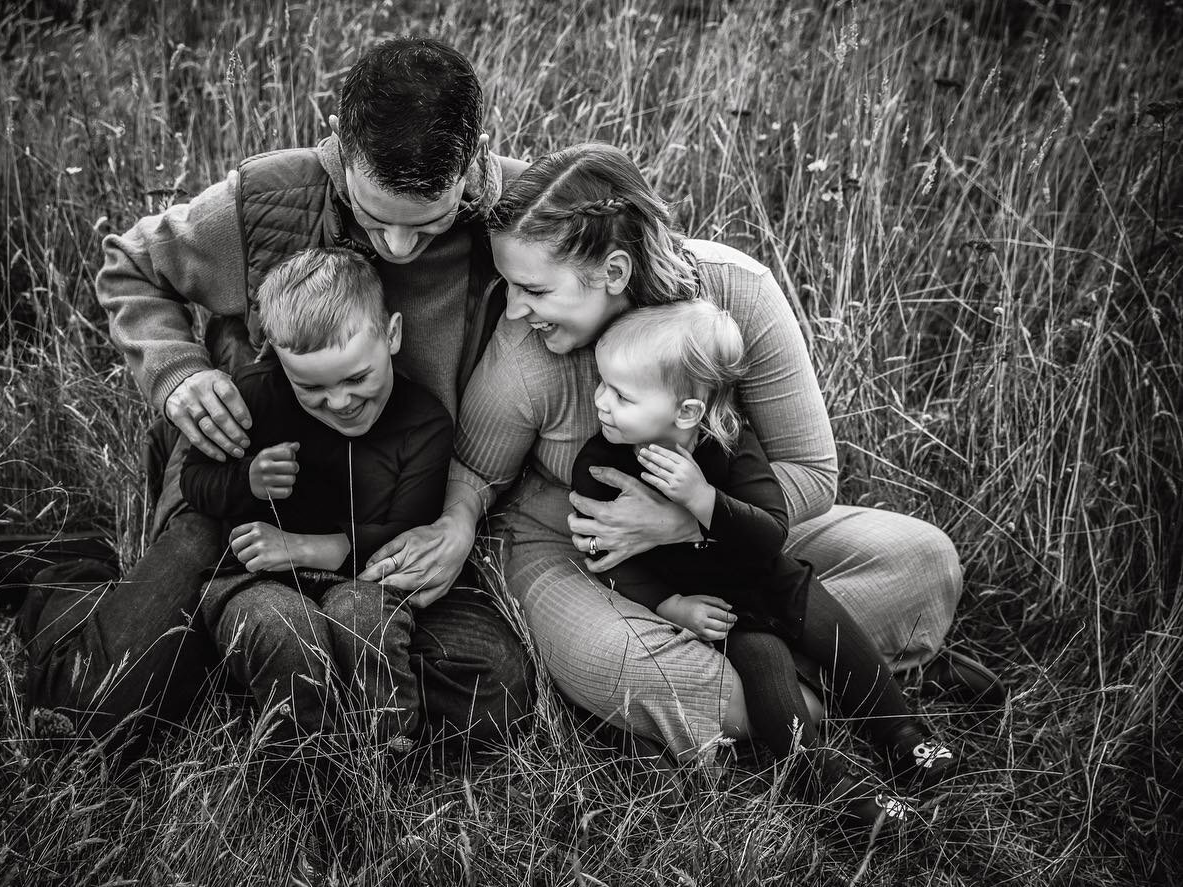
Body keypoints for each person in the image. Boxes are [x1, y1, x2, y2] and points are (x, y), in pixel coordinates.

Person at [365, 142, 992, 764]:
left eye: (532, 287)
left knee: (923, 561)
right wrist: (456, 521)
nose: (514, 307)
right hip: (582, 551)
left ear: (612, 272)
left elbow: (811, 472)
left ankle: (777, 694)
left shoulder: (737, 295)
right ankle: (847, 678)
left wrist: (686, 519)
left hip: (735, 531)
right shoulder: (527, 351)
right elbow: (476, 470)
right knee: (649, 672)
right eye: (508, 284)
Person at [13, 37, 534, 754]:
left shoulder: (523, 211)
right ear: (342, 152)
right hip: (248, 502)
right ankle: (78, 582)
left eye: (428, 222)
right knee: (107, 709)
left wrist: (459, 519)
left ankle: (265, 662)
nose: (400, 248)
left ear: (473, 158)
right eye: (376, 216)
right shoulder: (268, 200)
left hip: (403, 507)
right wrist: (178, 373)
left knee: (492, 690)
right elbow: (131, 262)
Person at [571, 300, 959, 827]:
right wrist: (673, 605)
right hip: (726, 613)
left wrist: (704, 499)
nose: (601, 401)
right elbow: (607, 556)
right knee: (769, 676)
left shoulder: (728, 441)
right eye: (602, 384)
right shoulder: (603, 464)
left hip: (775, 580)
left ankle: (903, 737)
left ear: (686, 412)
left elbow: (771, 528)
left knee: (841, 642)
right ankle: (827, 790)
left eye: (621, 393)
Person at [178, 248, 452, 750]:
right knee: (286, 632)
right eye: (312, 388)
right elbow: (194, 483)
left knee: (365, 620)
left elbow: (409, 533)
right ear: (281, 363)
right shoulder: (256, 394)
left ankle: (383, 762)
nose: (341, 402)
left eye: (357, 378)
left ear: (391, 336)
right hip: (249, 580)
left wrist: (301, 547)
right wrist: (247, 481)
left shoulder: (424, 423)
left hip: (362, 580)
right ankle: (308, 772)